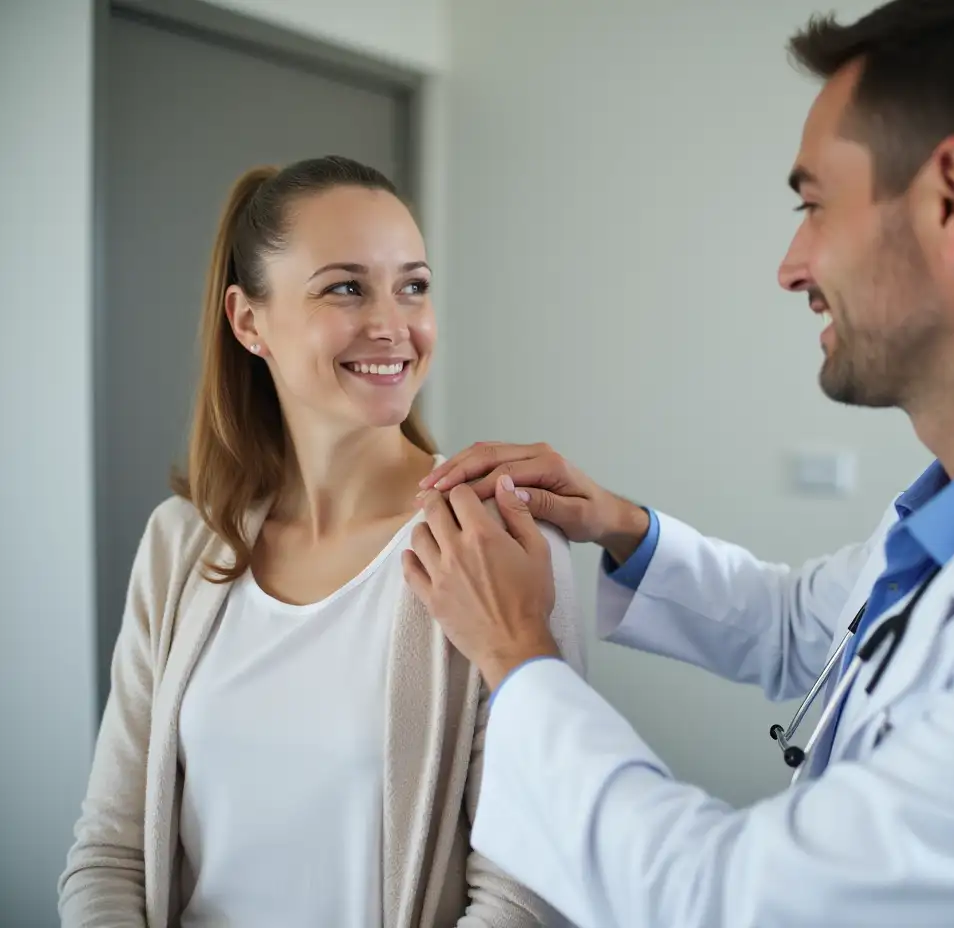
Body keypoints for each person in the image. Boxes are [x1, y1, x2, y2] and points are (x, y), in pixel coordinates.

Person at [400, 2, 954, 926]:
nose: (791, 267)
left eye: (814, 205)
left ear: (952, 197)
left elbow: (733, 906)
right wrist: (623, 528)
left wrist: (521, 659)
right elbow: (809, 626)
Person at [58, 156, 582, 927]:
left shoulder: (500, 544)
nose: (392, 324)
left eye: (413, 285)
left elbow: (527, 891)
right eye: (345, 286)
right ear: (248, 322)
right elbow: (111, 850)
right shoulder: (180, 546)